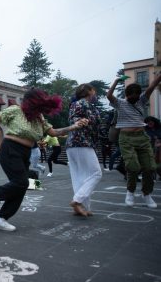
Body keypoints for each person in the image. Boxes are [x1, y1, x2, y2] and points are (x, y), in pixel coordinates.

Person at [0, 88, 88, 232]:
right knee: (22, 182)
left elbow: (54, 132)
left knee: (20, 187)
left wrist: (74, 126)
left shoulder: (40, 119)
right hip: (10, 149)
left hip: (25, 153)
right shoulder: (16, 110)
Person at [106, 72, 161, 208]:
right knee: (133, 167)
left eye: (136, 96)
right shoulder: (120, 103)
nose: (134, 99)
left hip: (142, 137)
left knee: (150, 167)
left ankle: (146, 194)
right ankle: (130, 192)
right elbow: (108, 95)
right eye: (132, 97)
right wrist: (116, 80)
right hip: (126, 139)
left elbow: (152, 85)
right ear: (127, 95)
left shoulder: (142, 100)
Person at [66, 84, 102, 216]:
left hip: (73, 144)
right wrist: (87, 121)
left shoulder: (75, 104)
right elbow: (77, 120)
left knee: (79, 177)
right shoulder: (83, 103)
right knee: (96, 173)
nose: (95, 94)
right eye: (94, 91)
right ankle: (77, 201)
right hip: (82, 142)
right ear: (88, 92)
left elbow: (74, 119)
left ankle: (83, 207)